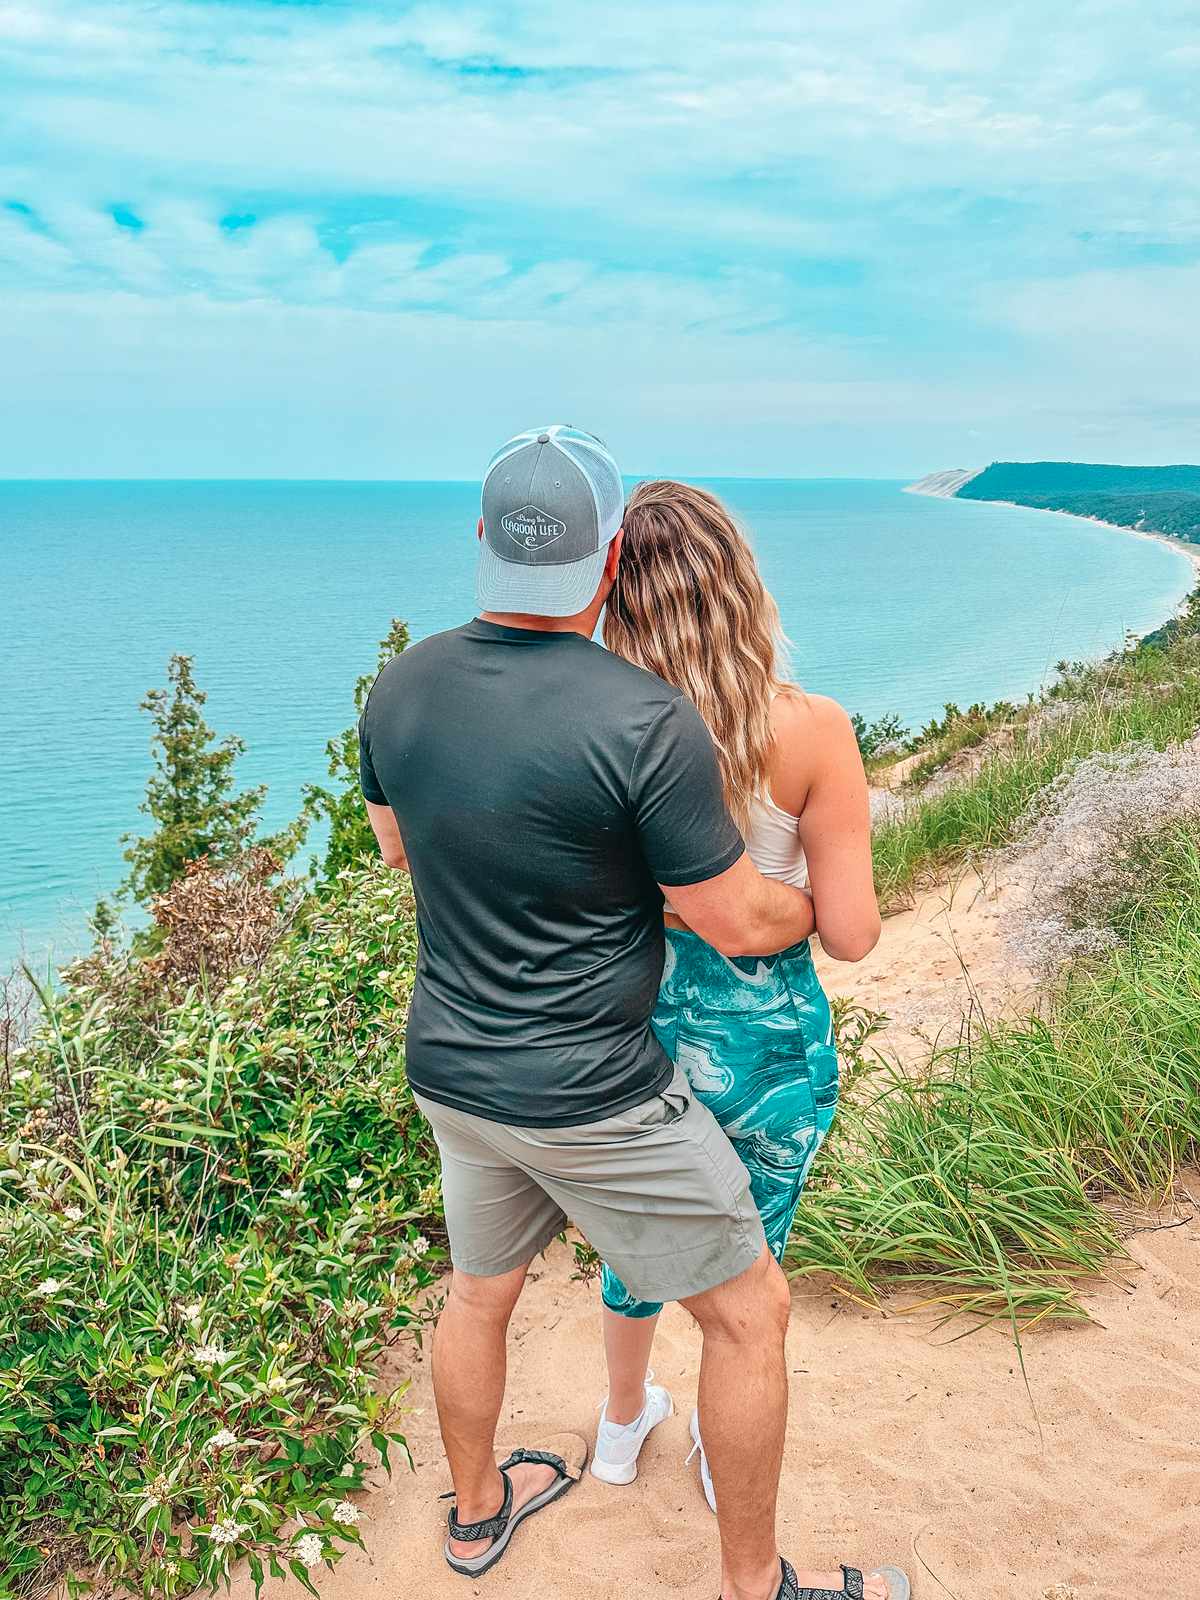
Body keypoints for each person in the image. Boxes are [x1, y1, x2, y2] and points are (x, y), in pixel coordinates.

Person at [360, 426, 906, 1600]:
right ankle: (756, 1587)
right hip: (595, 1087)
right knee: (752, 1310)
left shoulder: (399, 685)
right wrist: (811, 904)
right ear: (604, 558)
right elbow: (734, 915)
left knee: (477, 1292)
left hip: (454, 1066)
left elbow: (401, 847)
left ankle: (476, 1513)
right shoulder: (636, 719)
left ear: (483, 540)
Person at [587, 480, 905, 1600]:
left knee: (641, 1237)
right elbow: (857, 933)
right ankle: (732, 1468)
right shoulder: (810, 730)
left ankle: (622, 1427)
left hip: (629, 1030)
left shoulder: (604, 724)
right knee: (749, 1275)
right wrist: (781, 893)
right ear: (740, 581)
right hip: (767, 1051)